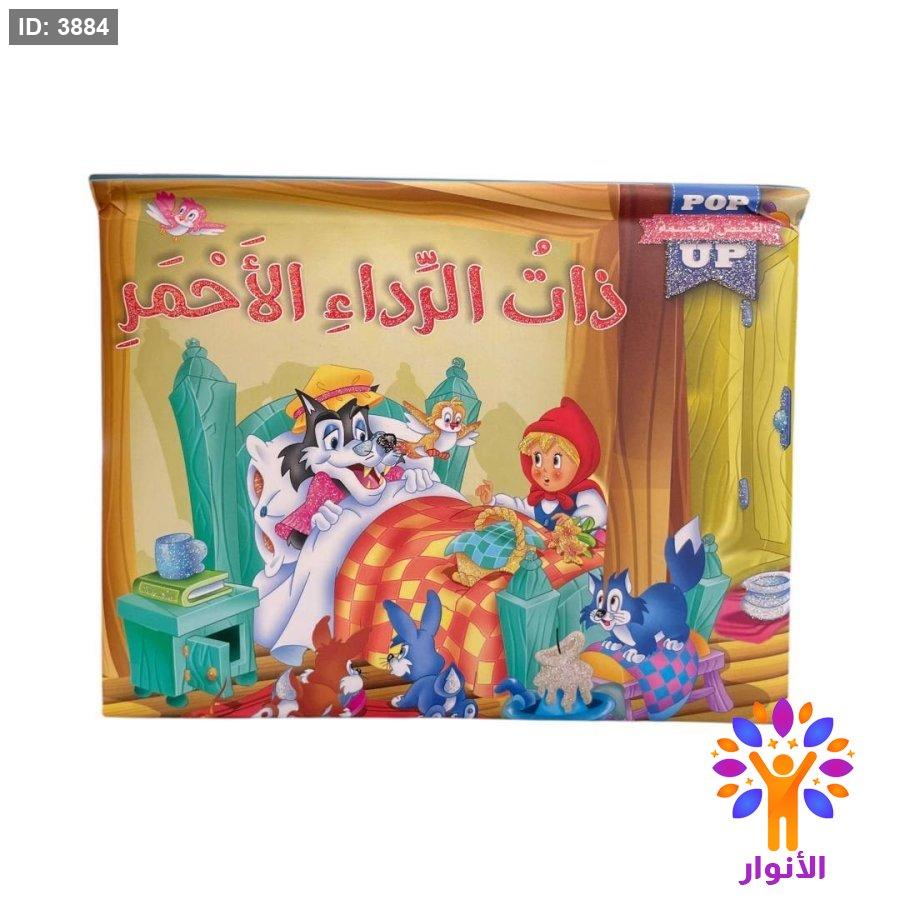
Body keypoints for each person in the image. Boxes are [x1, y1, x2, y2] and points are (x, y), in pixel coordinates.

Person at [477, 396, 606, 532]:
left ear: (580, 464)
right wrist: (493, 501)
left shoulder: (585, 495)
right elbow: (519, 508)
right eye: (538, 459)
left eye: (556, 461)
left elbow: (598, 514)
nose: (545, 470)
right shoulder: (539, 499)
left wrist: (574, 523)